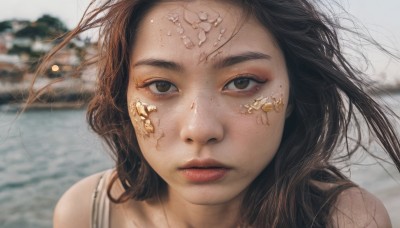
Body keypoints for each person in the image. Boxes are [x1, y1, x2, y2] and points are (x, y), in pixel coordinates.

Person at [42, 0, 400, 227]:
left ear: (294, 94)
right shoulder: (86, 214)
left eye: (242, 82)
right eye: (162, 86)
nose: (200, 129)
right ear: (123, 97)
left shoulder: (347, 220)